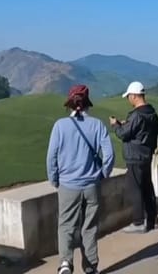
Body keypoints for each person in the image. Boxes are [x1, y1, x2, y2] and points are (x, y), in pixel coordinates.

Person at [46, 85, 115, 274]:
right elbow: (109, 154)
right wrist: (103, 173)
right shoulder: (98, 125)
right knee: (90, 227)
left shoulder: (60, 126)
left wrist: (54, 179)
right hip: (92, 185)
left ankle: (65, 263)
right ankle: (91, 266)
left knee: (66, 226)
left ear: (69, 104)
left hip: (68, 185)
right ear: (87, 104)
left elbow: (51, 157)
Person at [110, 81, 158, 233]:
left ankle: (138, 222)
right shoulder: (152, 113)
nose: (128, 99)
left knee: (135, 189)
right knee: (147, 187)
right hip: (147, 155)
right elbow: (152, 129)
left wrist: (115, 125)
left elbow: (123, 134)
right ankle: (152, 219)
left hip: (134, 156)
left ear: (134, 96)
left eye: (129, 96)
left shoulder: (136, 115)